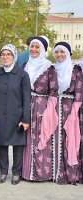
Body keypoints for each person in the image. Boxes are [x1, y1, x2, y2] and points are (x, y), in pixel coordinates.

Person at [0, 44, 30, 185]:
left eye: (9, 54)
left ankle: (16, 173)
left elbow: (26, 99)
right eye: (3, 54)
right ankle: (4, 172)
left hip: (17, 116)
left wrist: (25, 119)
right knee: (2, 145)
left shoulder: (22, 75)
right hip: (0, 115)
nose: (5, 57)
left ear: (14, 56)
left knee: (18, 146)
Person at [22, 36, 59, 181]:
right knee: (25, 138)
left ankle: (41, 173)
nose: (34, 50)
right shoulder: (25, 65)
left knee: (41, 138)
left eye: (37, 47)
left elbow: (54, 91)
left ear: (43, 49)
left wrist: (49, 111)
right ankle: (25, 172)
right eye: (32, 46)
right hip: (25, 105)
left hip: (42, 107)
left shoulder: (49, 67)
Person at [52, 42, 83, 185]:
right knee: (55, 140)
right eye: (57, 52)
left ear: (68, 53)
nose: (59, 55)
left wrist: (74, 112)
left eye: (62, 52)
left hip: (70, 108)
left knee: (69, 139)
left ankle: (70, 174)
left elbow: (79, 91)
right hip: (54, 108)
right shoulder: (52, 69)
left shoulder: (75, 69)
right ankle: (55, 173)